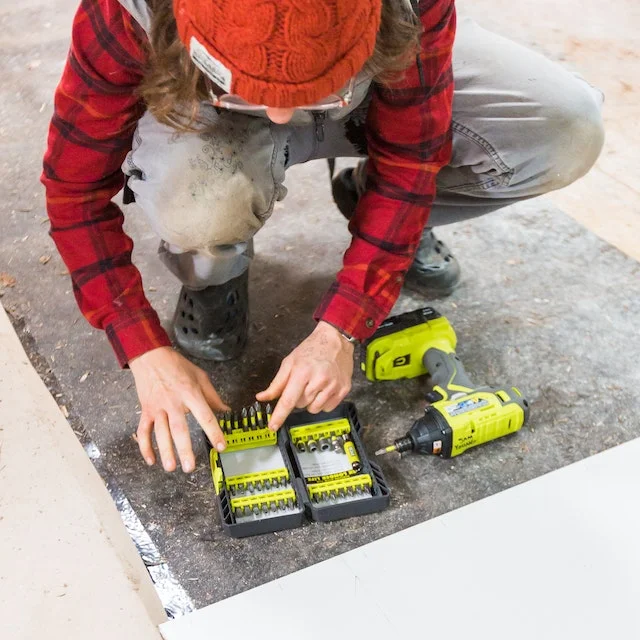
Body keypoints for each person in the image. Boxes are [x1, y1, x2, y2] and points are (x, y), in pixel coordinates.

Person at [42, 0, 604, 474]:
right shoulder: (126, 14)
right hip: (206, 95)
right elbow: (75, 190)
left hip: (380, 77)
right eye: (246, 94)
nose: (280, 117)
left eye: (316, 94)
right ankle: (213, 268)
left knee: (564, 129)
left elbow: (412, 160)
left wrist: (344, 327)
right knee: (197, 202)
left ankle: (375, 207)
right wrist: (140, 344)